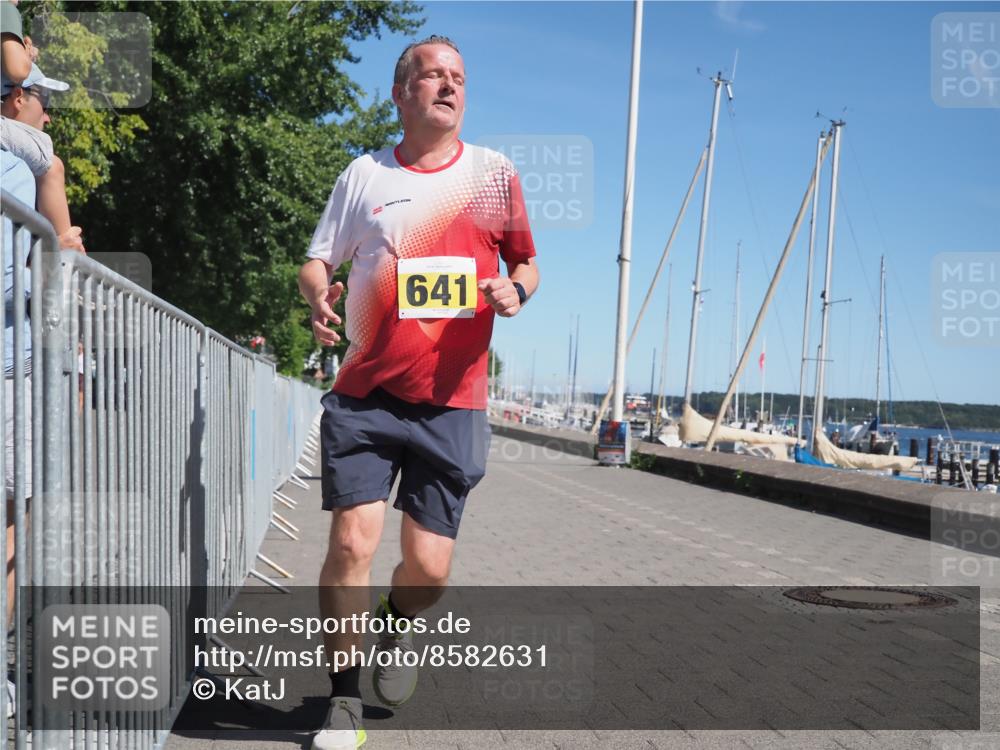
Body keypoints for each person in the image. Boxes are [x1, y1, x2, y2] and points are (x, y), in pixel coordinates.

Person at [298, 35, 539, 750]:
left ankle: (396, 625)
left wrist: (514, 289)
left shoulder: (494, 175)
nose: (448, 87)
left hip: (453, 398)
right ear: (401, 93)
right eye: (431, 76)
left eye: (458, 77)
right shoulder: (365, 174)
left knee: (429, 568)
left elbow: (526, 260)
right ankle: (341, 702)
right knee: (350, 543)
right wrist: (320, 297)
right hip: (367, 392)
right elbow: (317, 260)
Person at [1, 62, 86, 253]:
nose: (48, 118)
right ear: (18, 98)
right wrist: (56, 256)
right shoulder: (17, 170)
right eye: (45, 106)